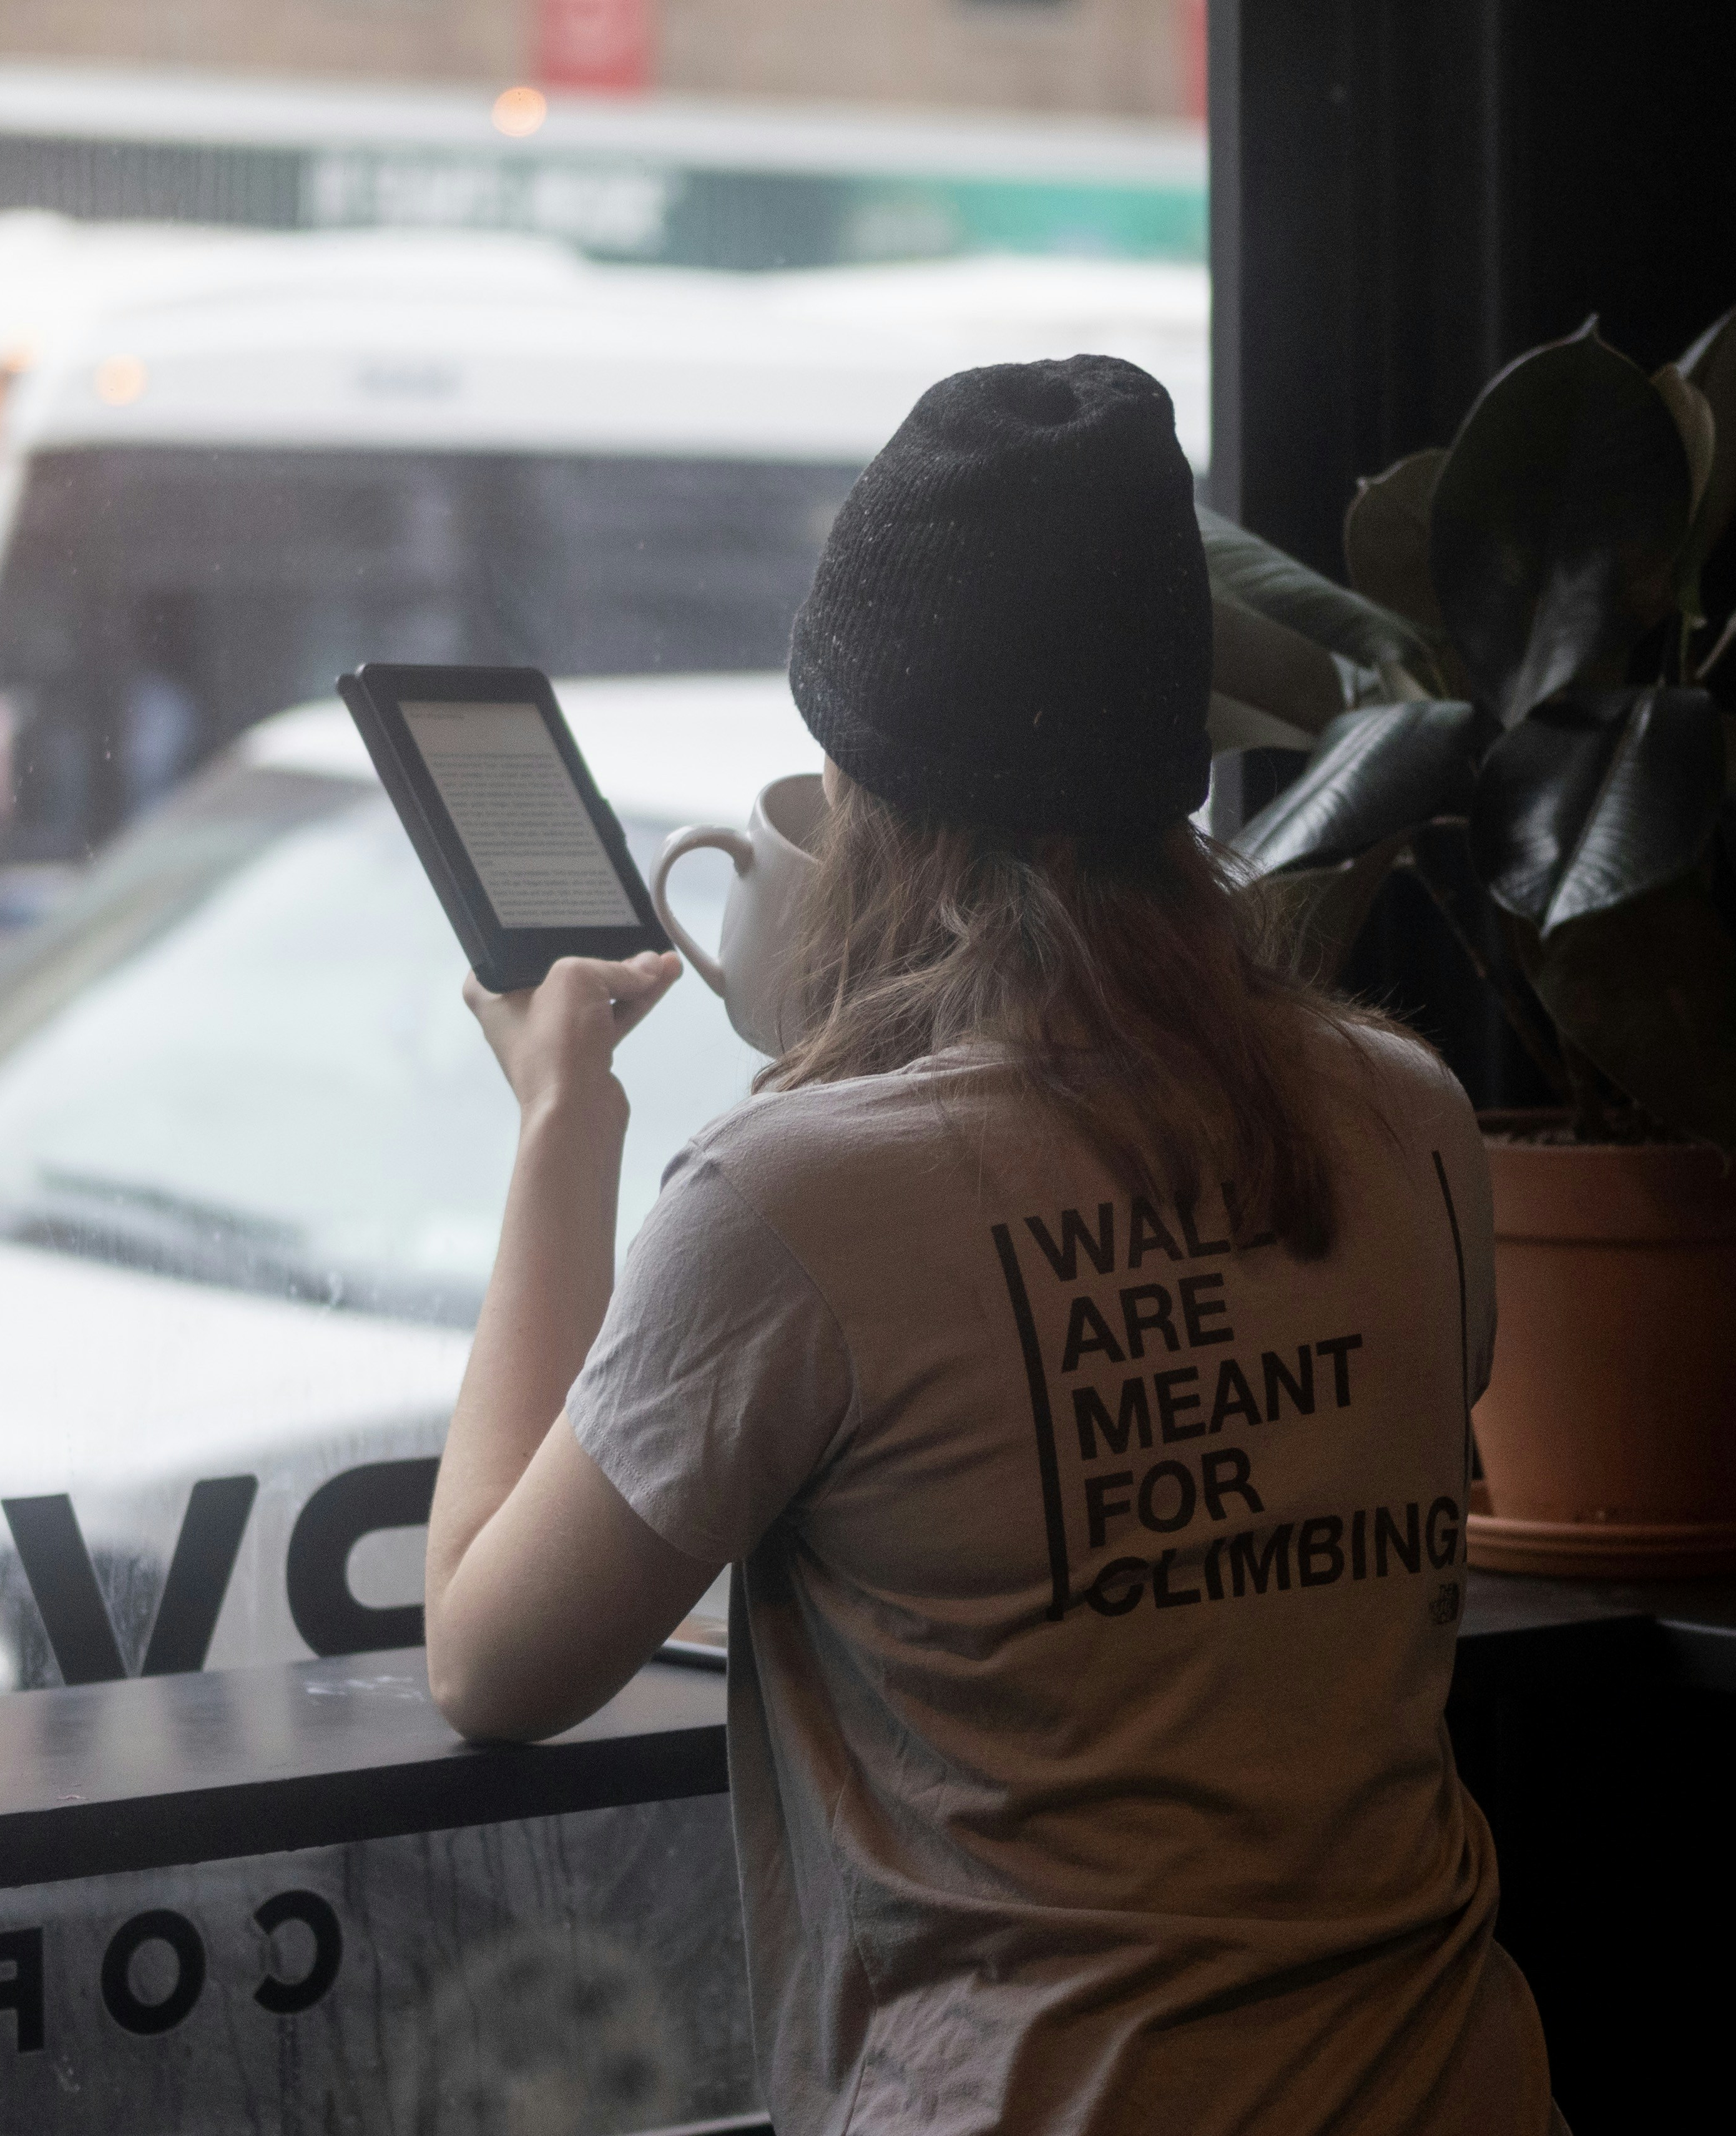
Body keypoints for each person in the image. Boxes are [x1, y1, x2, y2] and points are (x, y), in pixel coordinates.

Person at [421, 355, 1560, 2135]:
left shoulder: (793, 1201)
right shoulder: (1405, 1113)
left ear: (876, 812)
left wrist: (566, 1122)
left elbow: (492, 1662)